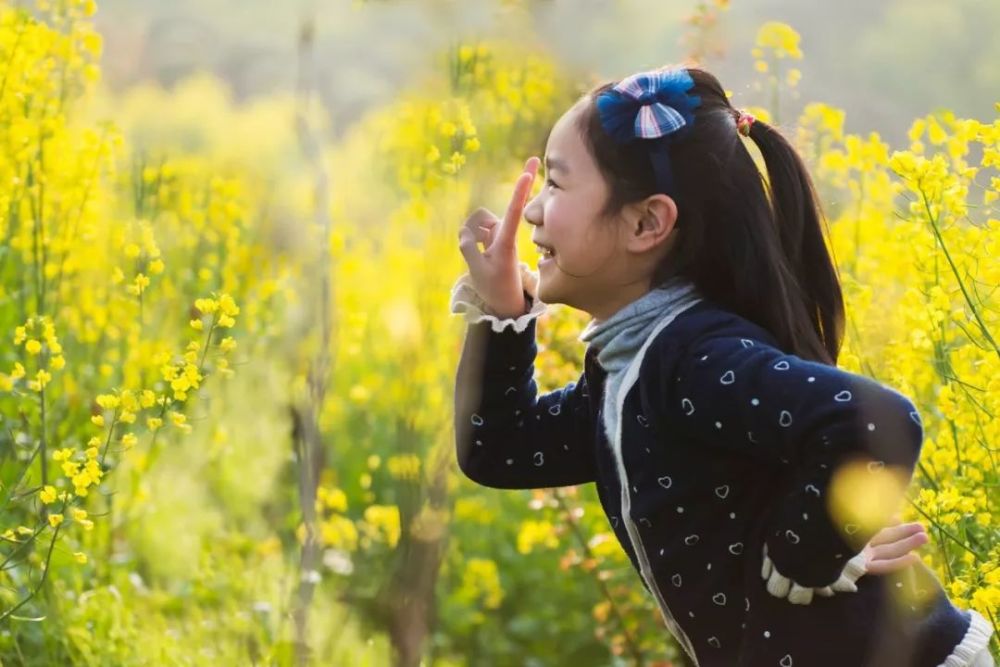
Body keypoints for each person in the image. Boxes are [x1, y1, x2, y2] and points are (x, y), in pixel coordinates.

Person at [450, 66, 995, 666]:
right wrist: (504, 313)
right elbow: (499, 448)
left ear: (646, 223)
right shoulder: (629, 371)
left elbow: (876, 421)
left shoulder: (692, 360)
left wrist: (806, 553)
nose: (531, 214)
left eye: (555, 185)